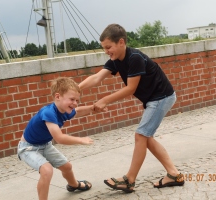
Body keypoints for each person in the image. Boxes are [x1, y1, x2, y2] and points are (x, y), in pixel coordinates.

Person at [79, 24, 184, 193]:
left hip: (161, 97)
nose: (106, 51)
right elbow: (97, 77)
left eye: (108, 47)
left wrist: (104, 100)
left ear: (121, 42)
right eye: (104, 48)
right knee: (146, 137)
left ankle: (129, 180)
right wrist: (76, 90)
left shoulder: (134, 57)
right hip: (154, 99)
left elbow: (130, 89)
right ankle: (174, 174)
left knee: (141, 135)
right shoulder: (116, 60)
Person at [17, 77, 102, 200]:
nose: (75, 103)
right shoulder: (48, 112)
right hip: (28, 148)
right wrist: (80, 140)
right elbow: (59, 138)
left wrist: (92, 108)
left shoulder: (64, 110)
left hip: (45, 145)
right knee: (47, 171)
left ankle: (73, 184)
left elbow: (77, 112)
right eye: (72, 99)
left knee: (67, 167)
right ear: (58, 97)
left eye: (77, 100)